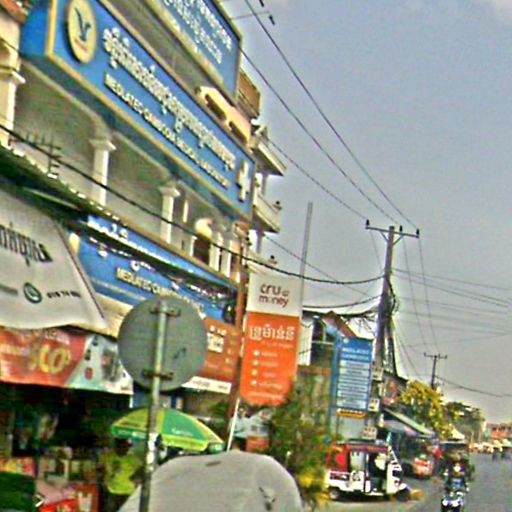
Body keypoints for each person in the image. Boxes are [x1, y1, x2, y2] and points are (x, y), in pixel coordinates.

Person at [99, 439, 144, 512]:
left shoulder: (132, 458)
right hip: (112, 491)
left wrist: (135, 475)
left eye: (126, 447)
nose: (125, 449)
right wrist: (104, 477)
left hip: (128, 491)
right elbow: (102, 468)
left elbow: (142, 468)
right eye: (122, 447)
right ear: (117, 447)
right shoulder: (109, 457)